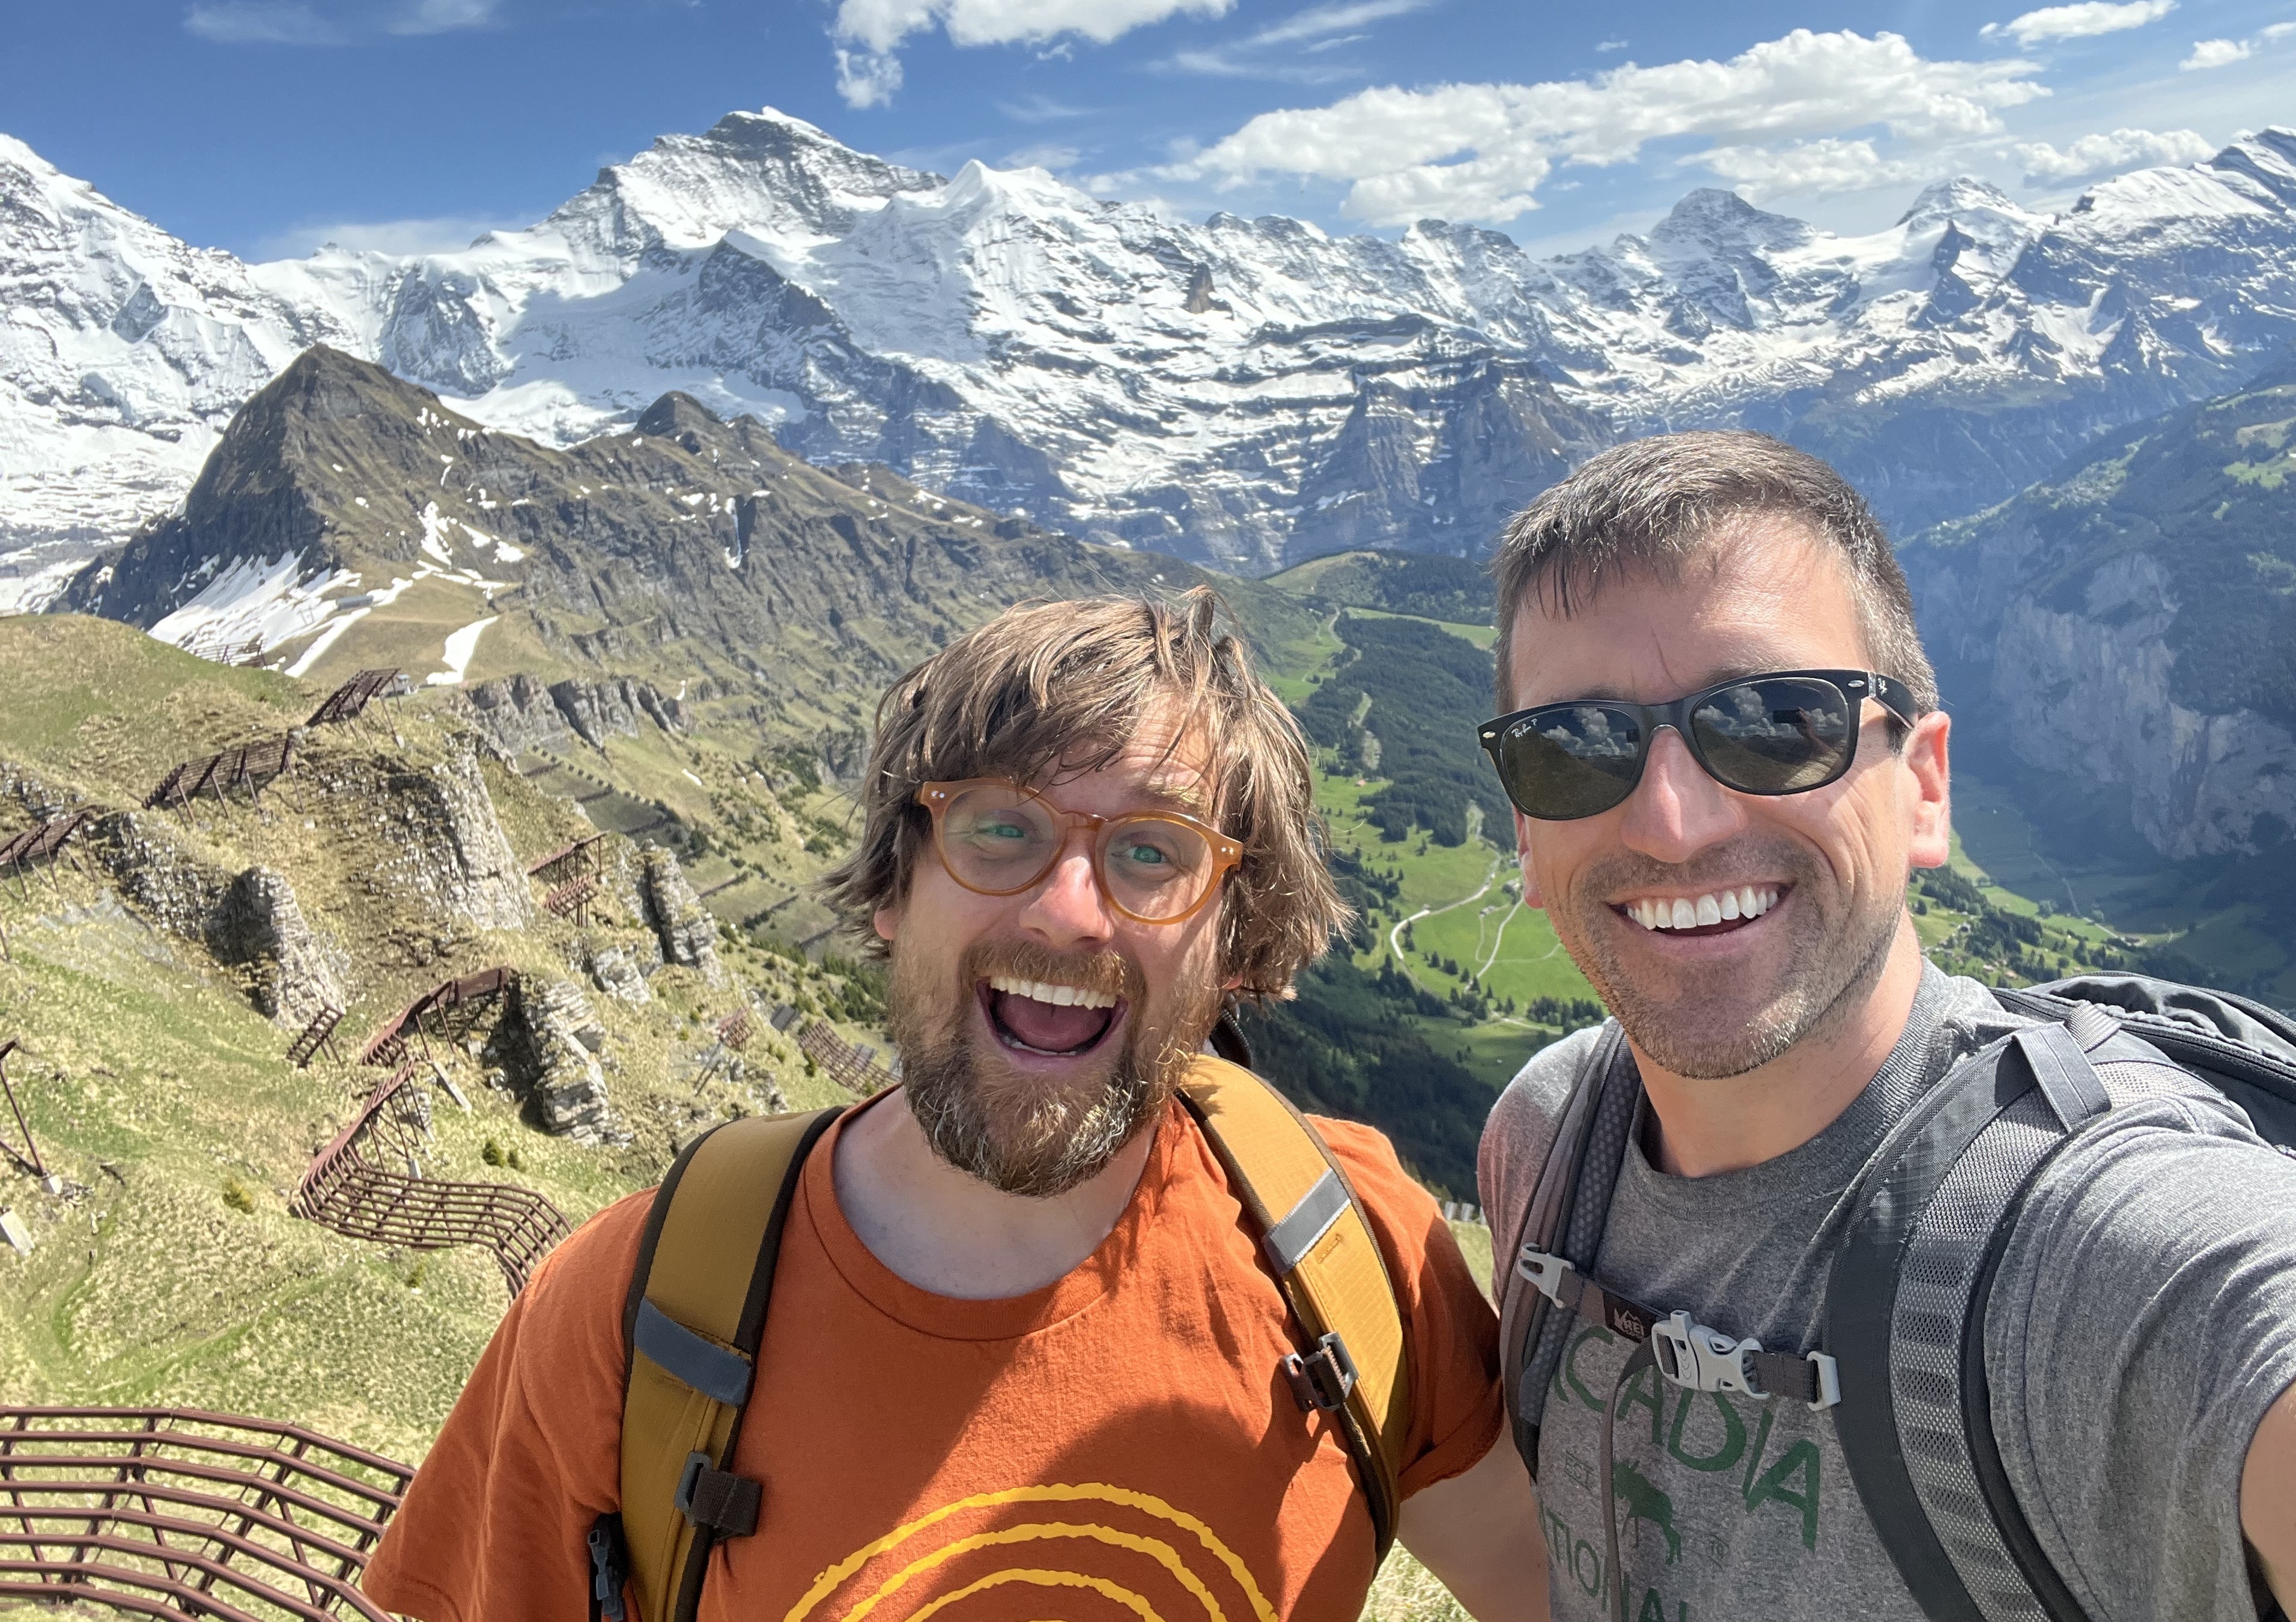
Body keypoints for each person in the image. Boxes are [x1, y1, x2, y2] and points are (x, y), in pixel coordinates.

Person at [364, 589, 1548, 1622]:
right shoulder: (638, 1305)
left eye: (1153, 853)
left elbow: (1556, 1588)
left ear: (1236, 946)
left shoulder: (1357, 1255)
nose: (1067, 910)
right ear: (893, 890)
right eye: (999, 827)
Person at [1474, 432, 2296, 1622]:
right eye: (1574, 748)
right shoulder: (1549, 1144)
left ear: (1924, 786)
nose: (1669, 822)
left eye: (1775, 718)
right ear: (1524, 831)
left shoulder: (2108, 1258)